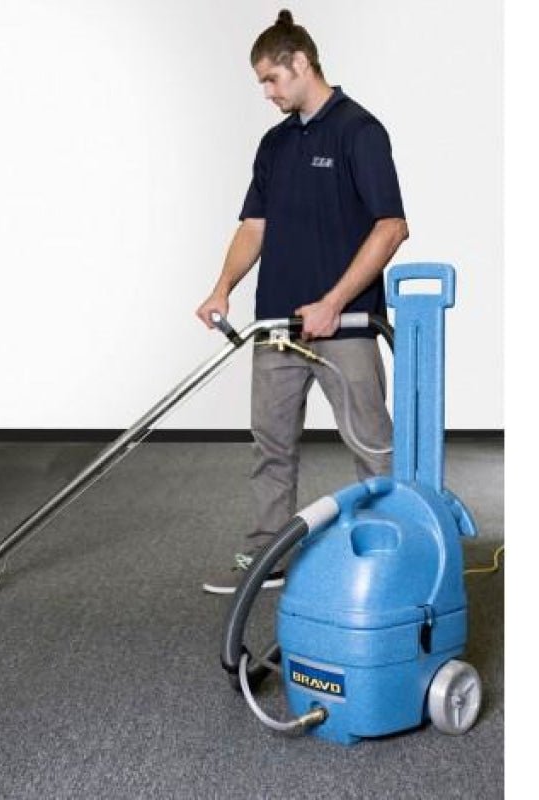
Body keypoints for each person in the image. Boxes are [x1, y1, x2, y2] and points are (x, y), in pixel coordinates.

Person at [198, 10, 409, 594]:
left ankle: (395, 555)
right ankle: (269, 556)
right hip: (277, 325)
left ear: (301, 62)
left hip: (346, 326)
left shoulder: (360, 131)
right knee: (271, 447)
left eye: (271, 79)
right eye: (261, 82)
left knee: (373, 447)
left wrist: (333, 302)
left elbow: (392, 227)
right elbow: (254, 226)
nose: (267, 92)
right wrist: (222, 287)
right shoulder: (275, 143)